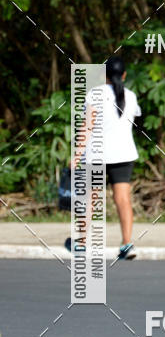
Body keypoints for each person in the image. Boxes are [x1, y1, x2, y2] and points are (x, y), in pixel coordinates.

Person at [67, 56, 141, 260]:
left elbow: (87, 127)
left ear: (104, 75)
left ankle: (81, 243)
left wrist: (76, 155)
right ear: (124, 75)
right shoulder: (131, 96)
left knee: (90, 199)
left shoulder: (94, 94)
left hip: (97, 154)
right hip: (124, 154)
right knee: (123, 199)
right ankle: (127, 244)